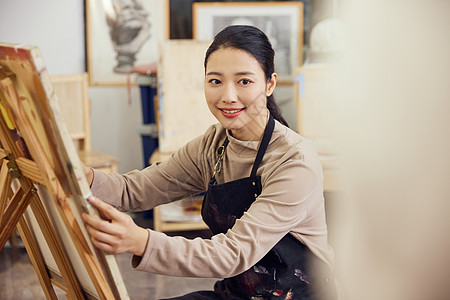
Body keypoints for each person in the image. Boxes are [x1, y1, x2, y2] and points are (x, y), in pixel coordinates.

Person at [82, 25, 338, 300]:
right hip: (236, 294)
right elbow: (134, 190)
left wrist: (142, 242)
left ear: (270, 84)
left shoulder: (294, 160)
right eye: (215, 81)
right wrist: (82, 175)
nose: (228, 96)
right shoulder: (213, 145)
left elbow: (233, 253)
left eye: (244, 81)